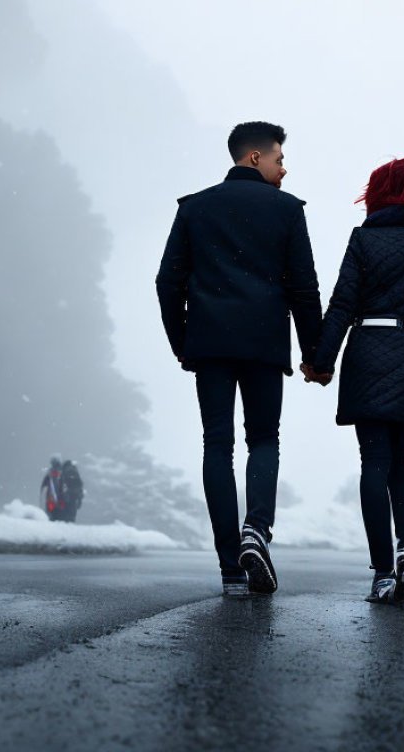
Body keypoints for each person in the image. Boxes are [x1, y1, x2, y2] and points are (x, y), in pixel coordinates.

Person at [156, 121, 324, 598]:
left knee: (216, 445)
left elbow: (167, 282)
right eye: (279, 159)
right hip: (264, 345)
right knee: (264, 440)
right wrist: (314, 355)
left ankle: (231, 567)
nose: (284, 169)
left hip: (209, 344)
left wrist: (182, 341)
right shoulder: (288, 211)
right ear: (255, 158)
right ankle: (257, 530)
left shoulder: (194, 208)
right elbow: (304, 289)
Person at [305, 158, 404, 605]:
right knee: (401, 461)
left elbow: (341, 305)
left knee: (373, 461)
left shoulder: (363, 240)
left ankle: (382, 572)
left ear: (376, 194)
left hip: (369, 352)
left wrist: (321, 361)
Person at [40, 455, 84, 522]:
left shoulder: (53, 473)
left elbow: (44, 490)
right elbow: (80, 488)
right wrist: (79, 500)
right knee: (69, 521)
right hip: (69, 503)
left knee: (56, 520)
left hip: (57, 505)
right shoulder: (68, 472)